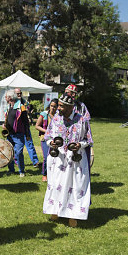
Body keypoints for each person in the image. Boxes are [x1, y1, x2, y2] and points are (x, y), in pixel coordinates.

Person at [43, 93, 93, 228]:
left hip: (74, 161)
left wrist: (79, 145)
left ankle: (73, 215)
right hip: (58, 159)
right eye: (58, 105)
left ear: (70, 107)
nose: (58, 108)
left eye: (61, 106)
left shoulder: (81, 120)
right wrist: (50, 144)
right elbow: (47, 136)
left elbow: (88, 140)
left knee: (75, 186)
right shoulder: (55, 120)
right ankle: (55, 211)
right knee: (55, 184)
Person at [3, 90, 27, 177]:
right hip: (9, 134)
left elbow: (26, 121)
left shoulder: (21, 107)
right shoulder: (8, 107)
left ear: (10, 97)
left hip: (19, 135)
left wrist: (27, 134)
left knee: (19, 153)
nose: (5, 98)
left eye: (6, 97)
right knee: (10, 153)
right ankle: (11, 170)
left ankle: (21, 171)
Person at [14, 88, 40, 168]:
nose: (19, 95)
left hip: (25, 127)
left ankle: (35, 162)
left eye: (20, 93)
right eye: (17, 93)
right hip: (17, 129)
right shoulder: (12, 103)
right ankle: (17, 161)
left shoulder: (24, 103)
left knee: (29, 144)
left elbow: (28, 111)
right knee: (17, 147)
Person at [35, 98, 58, 182]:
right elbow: (37, 126)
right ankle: (44, 174)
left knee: (55, 156)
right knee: (46, 157)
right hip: (45, 139)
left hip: (56, 139)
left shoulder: (59, 116)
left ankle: (54, 173)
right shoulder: (44, 114)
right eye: (51, 106)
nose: (53, 108)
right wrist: (47, 131)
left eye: (55, 106)